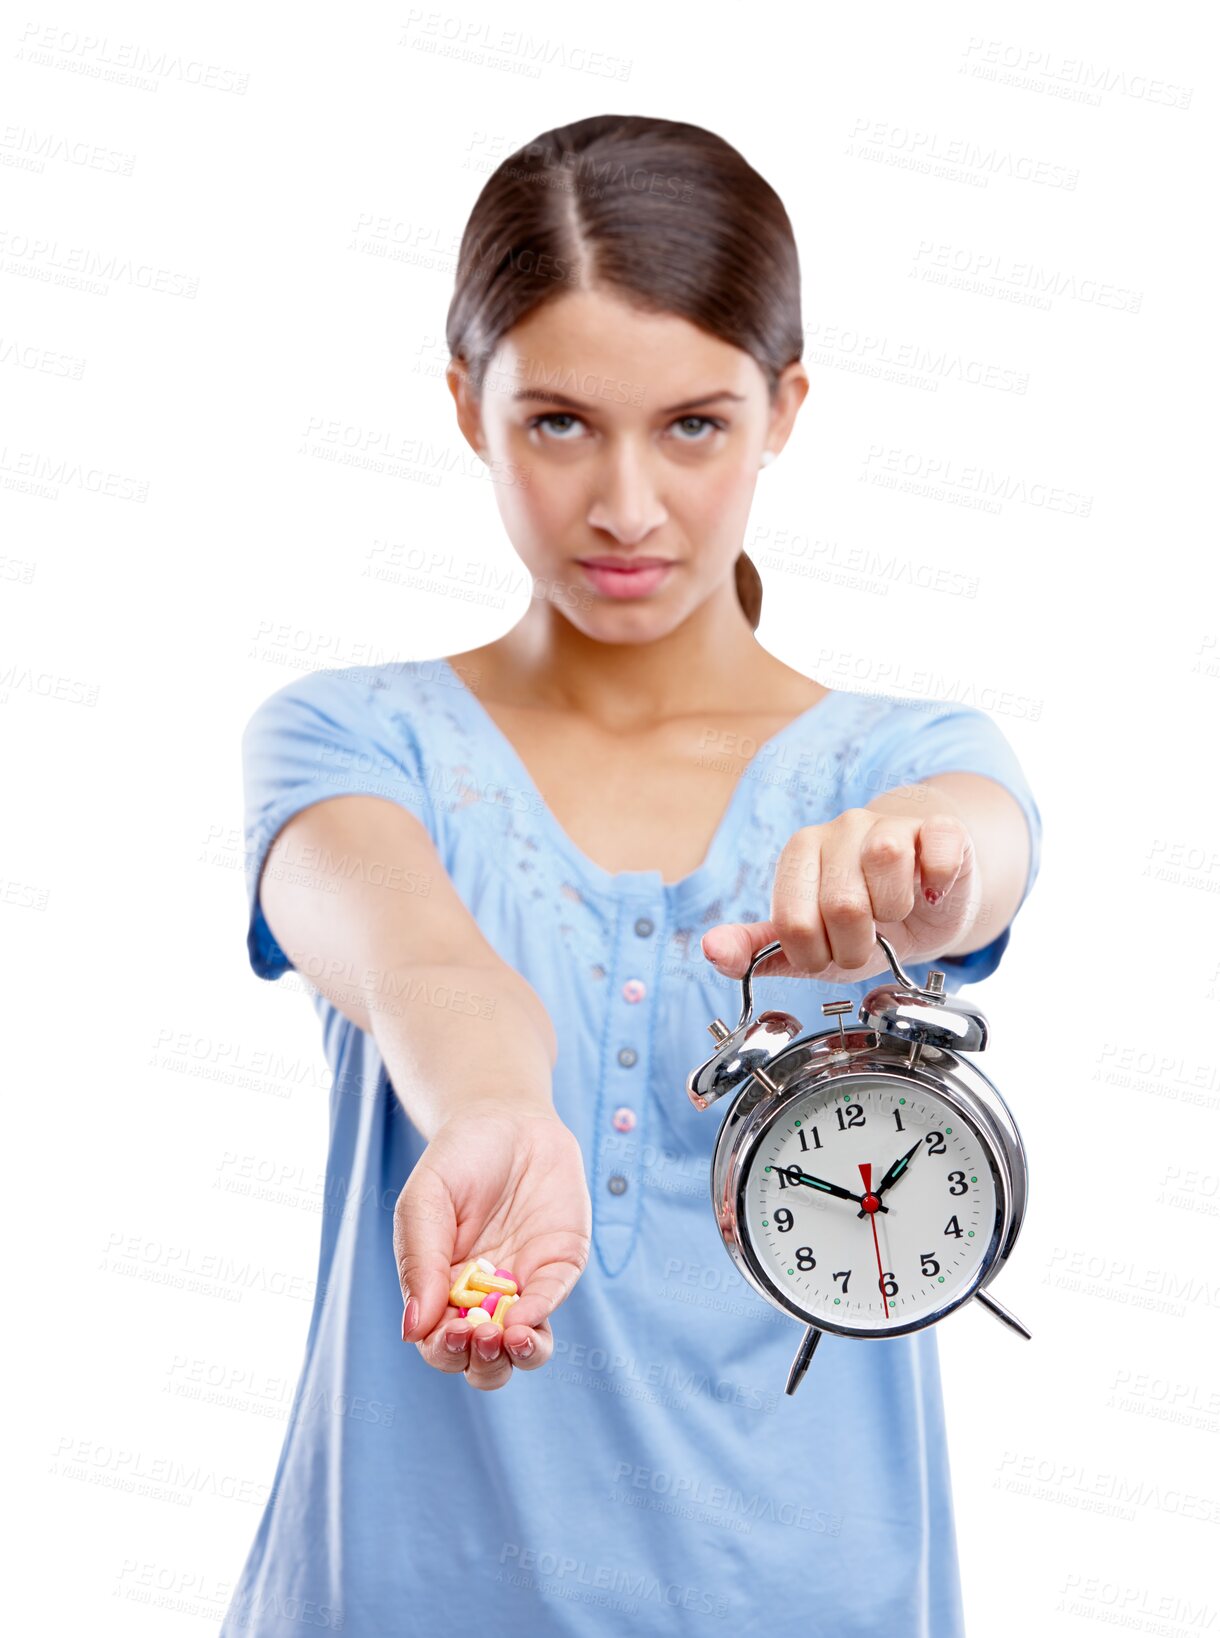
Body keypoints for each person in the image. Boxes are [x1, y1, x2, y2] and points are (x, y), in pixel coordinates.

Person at [224, 115, 1042, 1636]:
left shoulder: (902, 761)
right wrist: (489, 1108)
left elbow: (984, 842)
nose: (625, 505)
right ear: (466, 403)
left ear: (783, 408)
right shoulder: (346, 738)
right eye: (558, 422)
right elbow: (418, 959)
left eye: (691, 424)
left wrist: (933, 860)